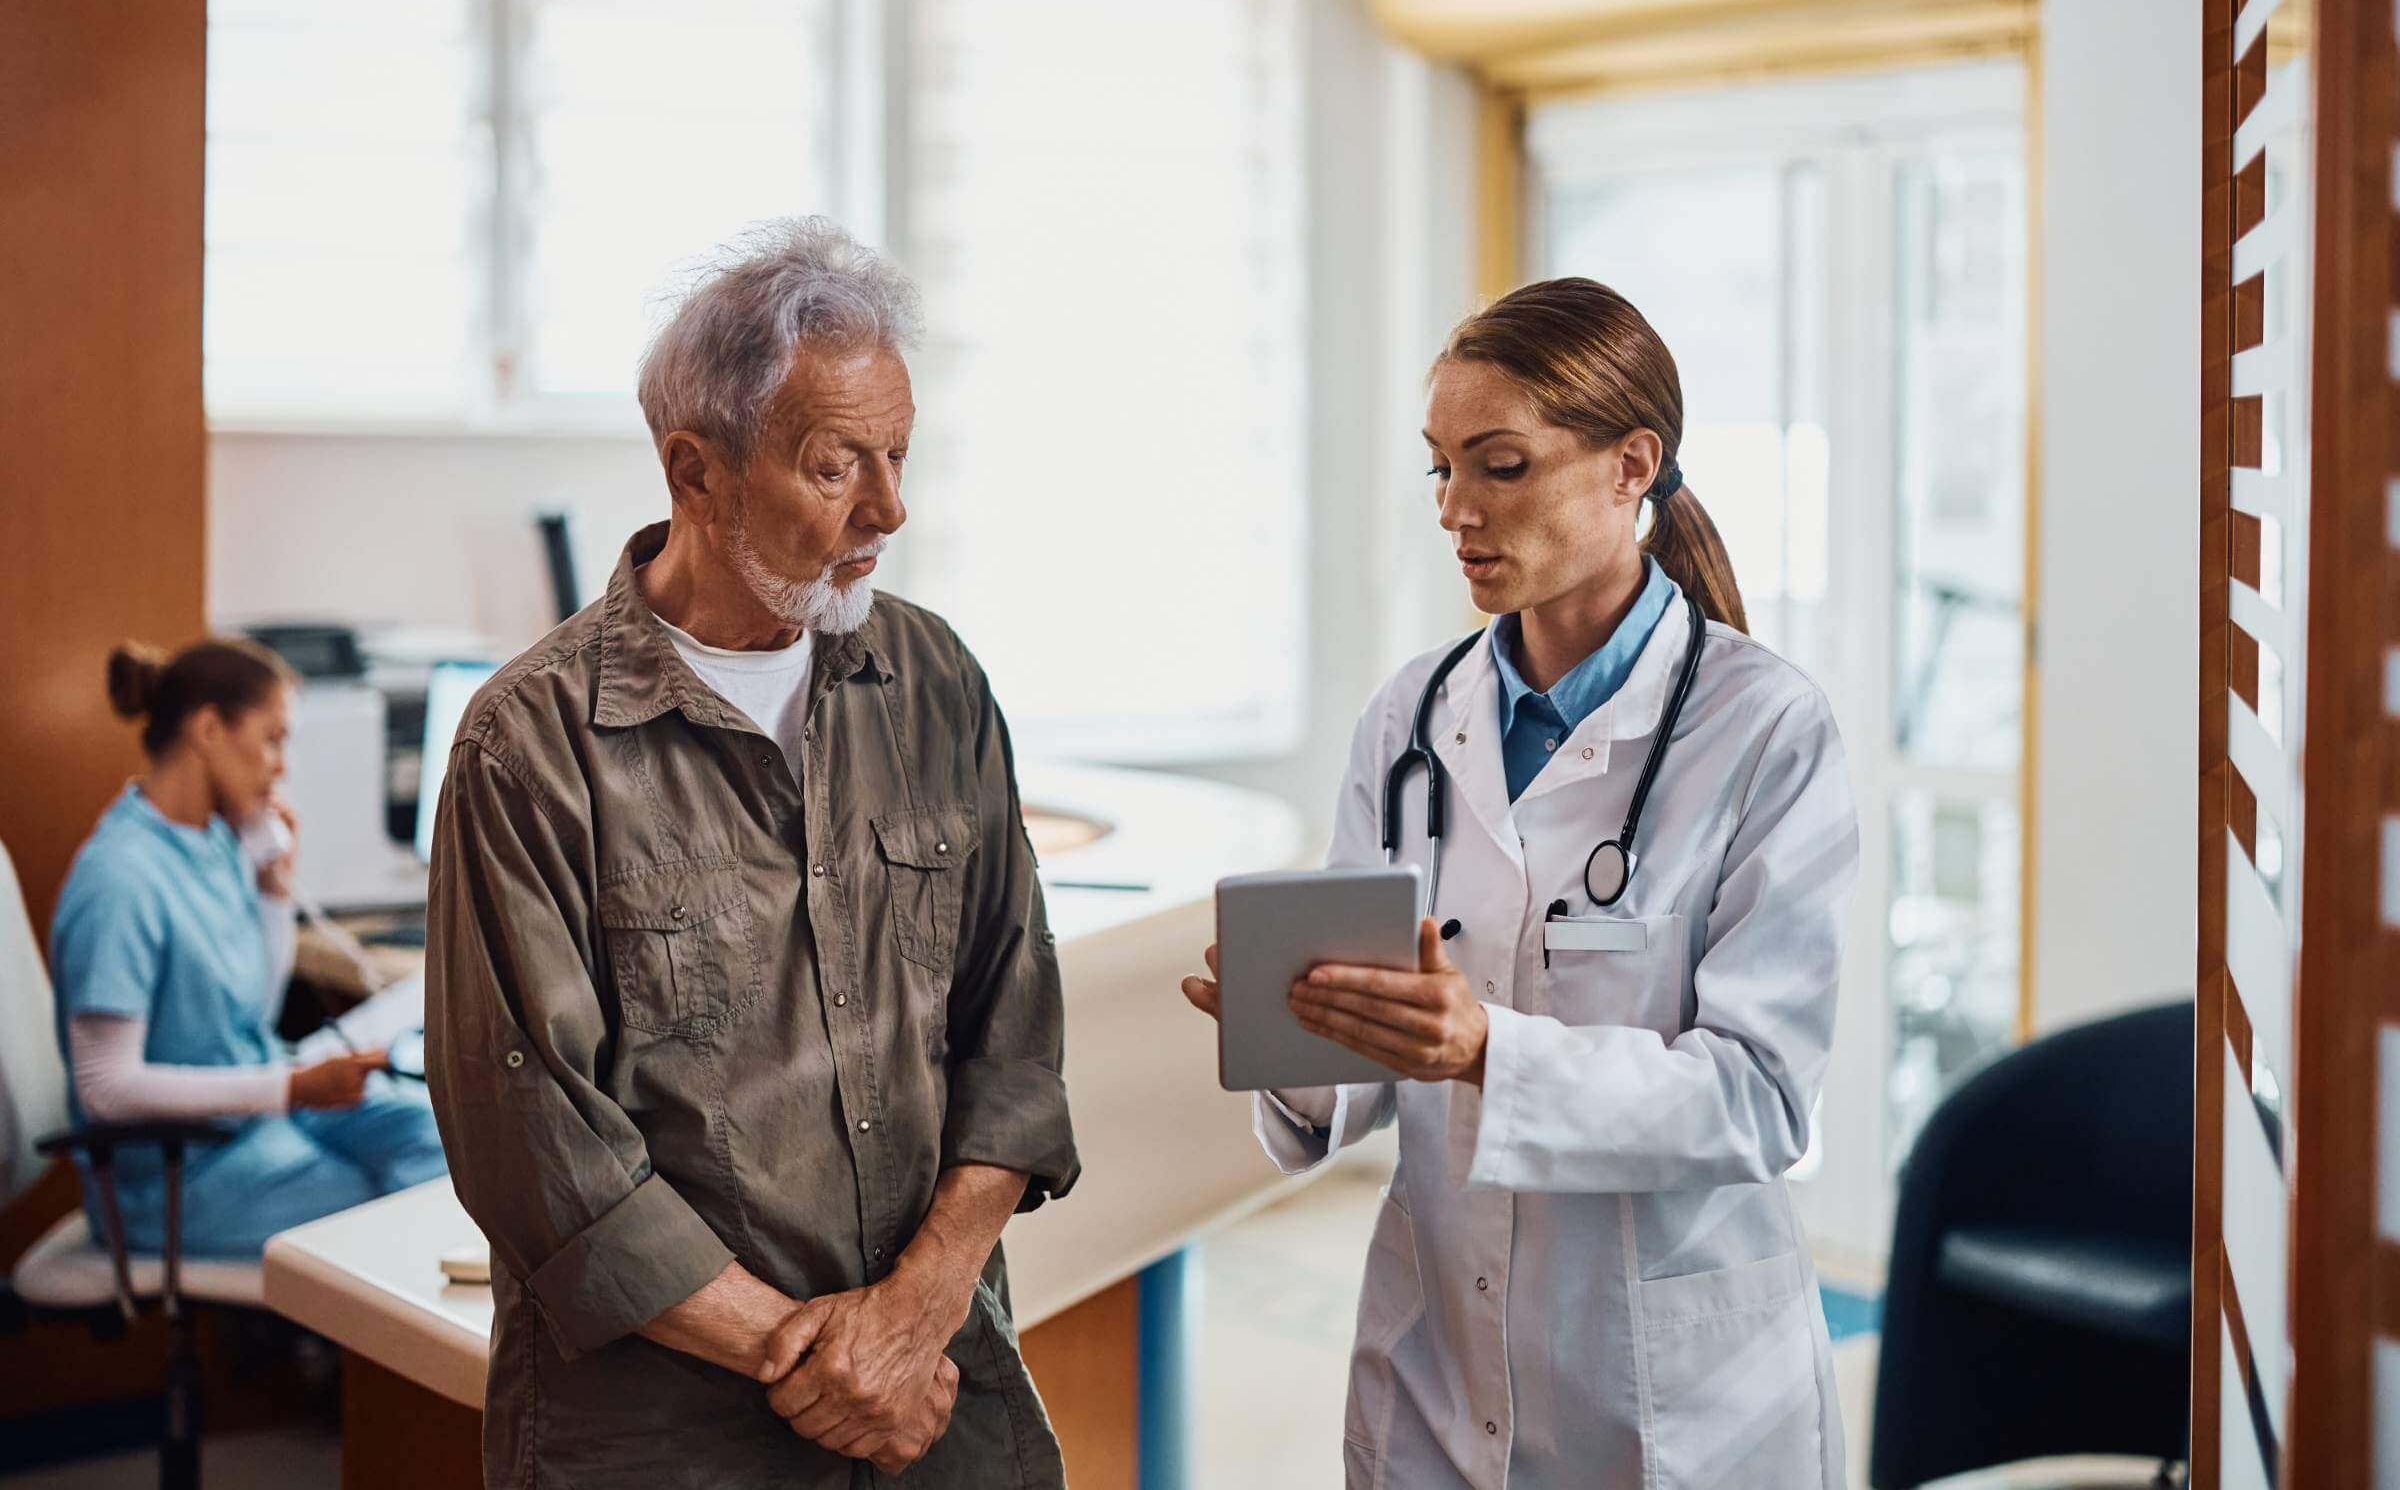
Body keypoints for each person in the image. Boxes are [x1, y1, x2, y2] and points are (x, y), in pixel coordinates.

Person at [424, 217, 1078, 1489]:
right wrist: (831, 1365)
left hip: (935, 1398)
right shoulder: (529, 746)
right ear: (696, 471)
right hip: (666, 1440)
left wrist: (910, 1324)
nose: (889, 509)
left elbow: (1016, 1040)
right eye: (838, 466)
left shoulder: (934, 679)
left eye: (899, 455)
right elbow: (541, 1156)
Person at [1183, 278, 1861, 1489]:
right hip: (1439, 1363)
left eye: (1501, 466)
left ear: (1629, 466)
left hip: (1672, 1396)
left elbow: (1760, 1099)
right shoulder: (1411, 717)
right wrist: (1299, 1028)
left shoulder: (1764, 728)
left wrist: (1486, 1047)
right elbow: (1370, 1074)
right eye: (1440, 469)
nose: (1456, 511)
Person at [48, 638, 445, 1259]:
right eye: (273, 739)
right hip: (177, 1176)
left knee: (441, 1141)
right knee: (393, 1209)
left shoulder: (213, 843)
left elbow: (249, 1015)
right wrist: (288, 1089)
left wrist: (273, 890)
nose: (282, 767)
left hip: (251, 1122)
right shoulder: (120, 880)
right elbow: (106, 1086)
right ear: (209, 728)